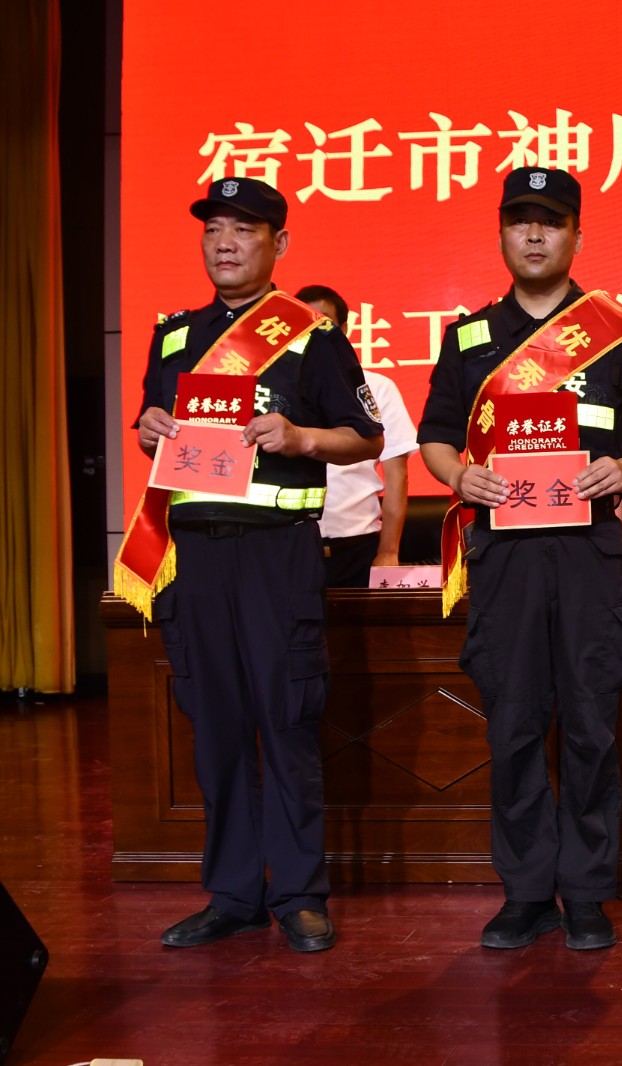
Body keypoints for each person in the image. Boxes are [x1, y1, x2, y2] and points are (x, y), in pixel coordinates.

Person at [117, 177, 384, 952]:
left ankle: (299, 892)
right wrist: (150, 426)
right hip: (196, 557)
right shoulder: (174, 336)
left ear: (279, 244)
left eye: (244, 229)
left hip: (276, 556)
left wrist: (300, 438)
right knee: (217, 728)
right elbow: (155, 426)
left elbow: (364, 437)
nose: (225, 242)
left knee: (287, 721)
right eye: (214, 229)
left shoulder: (312, 336)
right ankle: (233, 892)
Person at [417, 166, 622, 952]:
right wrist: (458, 476)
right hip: (504, 555)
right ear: (502, 233)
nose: (534, 235)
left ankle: (588, 891)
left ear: (576, 235)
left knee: (591, 723)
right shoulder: (468, 338)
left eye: (551, 222)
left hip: (588, 550)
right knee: (514, 725)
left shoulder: (617, 332)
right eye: (520, 221)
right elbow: (435, 436)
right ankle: (527, 891)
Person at [295, 284, 420, 586]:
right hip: (288, 545)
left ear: (343, 330)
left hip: (356, 548)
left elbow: (397, 476)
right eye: (300, 326)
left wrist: (388, 552)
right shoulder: (275, 388)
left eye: (322, 325)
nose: (311, 335)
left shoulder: (376, 388)